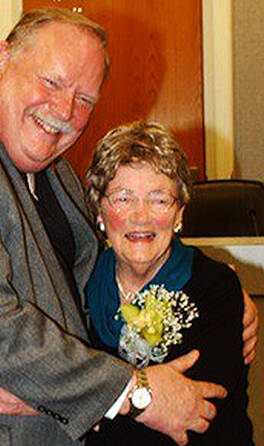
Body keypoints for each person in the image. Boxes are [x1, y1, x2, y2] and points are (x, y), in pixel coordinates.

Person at [0, 7, 257, 446]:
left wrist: (212, 284)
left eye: (85, 99)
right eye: (51, 82)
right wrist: (137, 392)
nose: (64, 110)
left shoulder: (53, 167)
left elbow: (103, 266)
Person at [82, 120, 254, 445]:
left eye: (159, 200)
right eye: (123, 198)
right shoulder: (77, 284)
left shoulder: (216, 289)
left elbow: (195, 416)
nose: (141, 216)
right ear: (100, 211)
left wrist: (91, 408)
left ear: (179, 214)